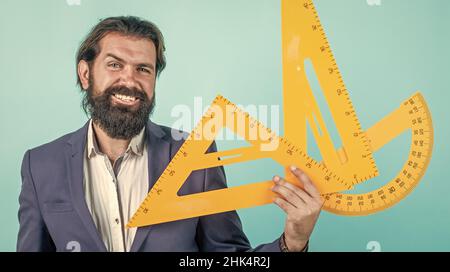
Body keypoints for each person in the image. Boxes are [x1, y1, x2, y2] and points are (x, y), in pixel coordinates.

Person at [17, 16, 324, 252]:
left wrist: (292, 242)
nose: (130, 80)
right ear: (85, 74)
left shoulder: (193, 154)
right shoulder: (40, 165)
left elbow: (229, 254)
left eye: (143, 69)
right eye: (114, 64)